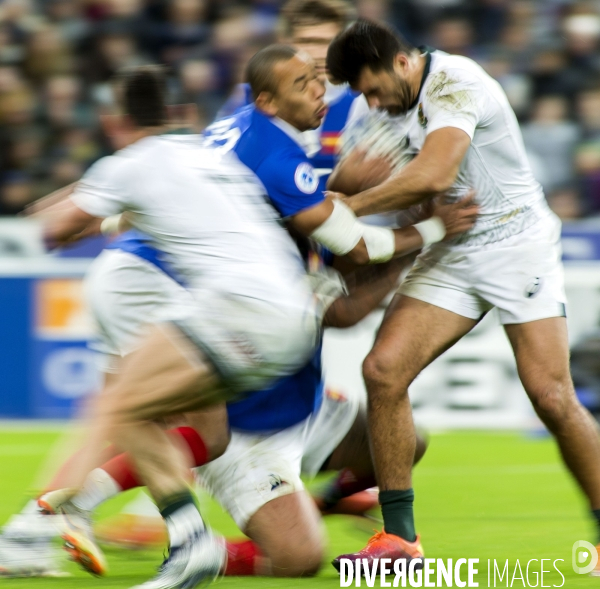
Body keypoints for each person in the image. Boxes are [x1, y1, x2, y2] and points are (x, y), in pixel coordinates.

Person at [324, 19, 600, 570]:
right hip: (453, 247)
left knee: (550, 395)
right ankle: (400, 541)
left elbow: (433, 173)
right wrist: (340, 185)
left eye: (374, 89)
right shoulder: (387, 113)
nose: (372, 103)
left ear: (399, 62)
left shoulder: (456, 82)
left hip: (517, 243)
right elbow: (363, 178)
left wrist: (344, 208)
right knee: (383, 371)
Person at [35, 65, 322, 589]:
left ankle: (40, 524)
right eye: (308, 78)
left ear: (115, 120)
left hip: (248, 328)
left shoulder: (136, 163)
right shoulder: (222, 158)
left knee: (120, 406)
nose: (321, 88)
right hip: (289, 328)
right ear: (182, 115)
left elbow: (55, 230)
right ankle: (180, 540)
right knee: (201, 433)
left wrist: (67, 208)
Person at [217, 0, 369, 183]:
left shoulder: (365, 100)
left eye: (329, 42)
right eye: (306, 42)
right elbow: (221, 164)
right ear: (284, 43)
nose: (319, 53)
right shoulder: (253, 97)